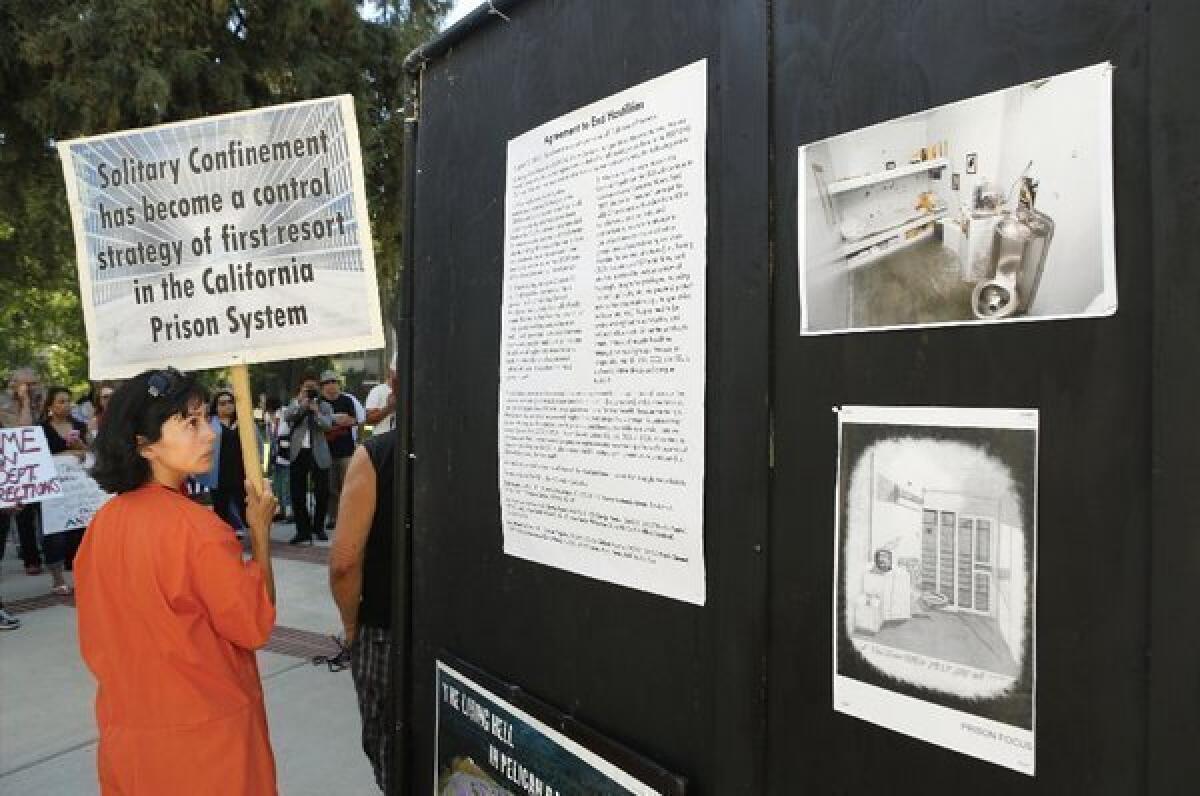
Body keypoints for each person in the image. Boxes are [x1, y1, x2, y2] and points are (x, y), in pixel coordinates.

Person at [75, 367, 278, 795]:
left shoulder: (102, 524)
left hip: (129, 736)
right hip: (207, 749)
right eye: (190, 423)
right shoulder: (199, 532)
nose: (208, 434)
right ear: (143, 444)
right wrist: (259, 535)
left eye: (205, 419)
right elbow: (254, 625)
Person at [330, 426, 396, 793]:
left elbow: (344, 563)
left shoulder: (376, 454)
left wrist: (351, 625)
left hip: (385, 632)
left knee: (388, 747)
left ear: (392, 385)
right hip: (460, 636)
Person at [40, 386, 91, 593]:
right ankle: (57, 578)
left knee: (81, 533)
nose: (66, 405)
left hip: (77, 489)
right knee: (54, 534)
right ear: (50, 405)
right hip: (52, 489)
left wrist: (79, 445)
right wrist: (66, 454)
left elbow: (89, 454)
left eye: (68, 401)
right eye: (60, 401)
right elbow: (39, 458)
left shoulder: (79, 426)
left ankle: (82, 575)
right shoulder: (41, 429)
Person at [1, 366, 45, 574]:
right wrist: (25, 402)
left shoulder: (42, 402)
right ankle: (31, 557)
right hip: (17, 466)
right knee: (24, 514)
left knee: (43, 512)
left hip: (39, 463)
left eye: (32, 384)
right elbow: (23, 430)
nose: (29, 388)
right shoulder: (5, 404)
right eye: (24, 385)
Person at [283, 372, 334, 545]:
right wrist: (301, 403)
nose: (311, 391)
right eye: (307, 388)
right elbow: (288, 417)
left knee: (322, 492)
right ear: (301, 388)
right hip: (299, 452)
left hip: (318, 452)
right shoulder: (295, 403)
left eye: (314, 388)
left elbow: (327, 426)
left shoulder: (325, 406)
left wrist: (316, 411)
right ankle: (302, 530)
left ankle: (318, 527)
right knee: (297, 493)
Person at [198, 388, 251, 535]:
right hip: (219, 472)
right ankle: (224, 534)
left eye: (230, 402)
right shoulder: (210, 424)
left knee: (244, 504)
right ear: (216, 406)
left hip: (240, 471)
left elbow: (255, 444)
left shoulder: (242, 422)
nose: (227, 405)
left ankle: (245, 530)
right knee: (221, 506)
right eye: (222, 403)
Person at [319, 370, 365, 530]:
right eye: (327, 382)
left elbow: (354, 420)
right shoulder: (319, 403)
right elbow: (320, 425)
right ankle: (333, 517)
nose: (331, 385)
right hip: (326, 451)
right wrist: (338, 420)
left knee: (348, 485)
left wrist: (334, 421)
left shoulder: (346, 400)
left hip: (346, 450)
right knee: (331, 487)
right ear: (322, 386)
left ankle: (348, 517)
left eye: (334, 381)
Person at [263, 397, 292, 522]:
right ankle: (280, 511)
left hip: (286, 453)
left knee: (287, 485)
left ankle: (290, 513)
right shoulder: (268, 418)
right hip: (275, 455)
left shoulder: (285, 413)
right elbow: (268, 439)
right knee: (277, 485)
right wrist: (265, 462)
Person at [363, 353, 397, 435]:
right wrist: (389, 408)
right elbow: (369, 421)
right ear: (391, 372)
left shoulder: (410, 391)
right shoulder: (377, 391)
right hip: (382, 442)